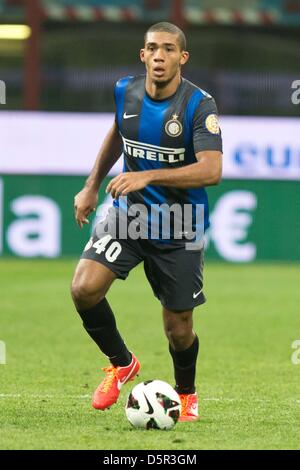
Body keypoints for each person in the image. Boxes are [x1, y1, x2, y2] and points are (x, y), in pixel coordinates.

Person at [71, 22, 222, 422]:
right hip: (129, 216)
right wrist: (91, 186)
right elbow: (119, 133)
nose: (159, 56)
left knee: (179, 329)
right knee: (84, 289)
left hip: (180, 224)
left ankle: (186, 394)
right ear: (143, 55)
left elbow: (211, 170)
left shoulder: (198, 106)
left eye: (169, 49)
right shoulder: (126, 90)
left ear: (181, 58)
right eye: (152, 48)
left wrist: (148, 175)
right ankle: (122, 364)